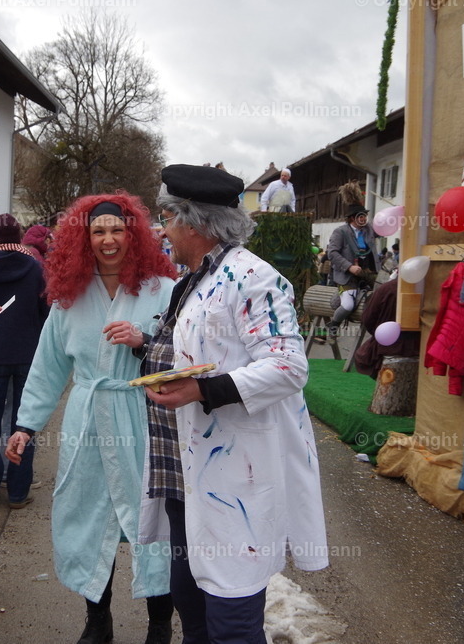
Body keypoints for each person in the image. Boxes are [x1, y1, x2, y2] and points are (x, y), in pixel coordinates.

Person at [137, 164, 328, 644]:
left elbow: (288, 366)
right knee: (191, 603)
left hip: (232, 478)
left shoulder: (252, 278)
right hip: (182, 470)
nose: (162, 230)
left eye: (167, 219)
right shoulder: (195, 278)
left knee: (232, 620)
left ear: (194, 221)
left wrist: (203, 390)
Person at [4, 192, 178, 644]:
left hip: (143, 417)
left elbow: (187, 356)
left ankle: (160, 622)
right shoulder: (70, 296)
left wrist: (143, 343)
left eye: (117, 229)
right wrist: (26, 425)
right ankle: (97, 620)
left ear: (134, 235)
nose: (108, 239)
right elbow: (47, 366)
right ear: (84, 239)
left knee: (153, 520)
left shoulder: (162, 289)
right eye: (98, 231)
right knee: (87, 517)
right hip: (89, 421)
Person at [0, 213, 49, 509]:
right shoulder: (35, 268)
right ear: (18, 236)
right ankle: (18, 490)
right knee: (24, 423)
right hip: (27, 353)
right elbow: (45, 312)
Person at [325, 182, 379, 334]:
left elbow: (382, 229)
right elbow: (332, 253)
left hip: (369, 273)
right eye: (361, 216)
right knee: (348, 305)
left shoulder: (369, 230)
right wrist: (349, 267)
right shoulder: (340, 232)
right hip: (348, 277)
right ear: (352, 218)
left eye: (365, 216)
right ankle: (334, 324)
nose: (364, 219)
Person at [353, 277, 421, 378]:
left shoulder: (387, 289)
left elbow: (368, 319)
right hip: (414, 348)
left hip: (390, 348)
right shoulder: (431, 289)